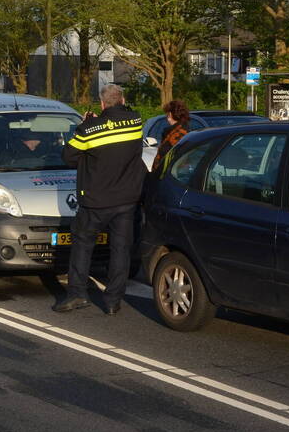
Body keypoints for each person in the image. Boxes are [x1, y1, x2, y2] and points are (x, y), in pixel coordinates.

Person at [54, 84, 146, 315]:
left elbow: (68, 156)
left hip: (96, 201)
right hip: (126, 199)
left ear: (102, 103)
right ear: (122, 100)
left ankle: (77, 294)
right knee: (120, 250)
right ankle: (113, 301)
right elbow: (118, 125)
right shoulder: (136, 121)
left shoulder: (89, 130)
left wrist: (85, 124)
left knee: (83, 246)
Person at [152, 99, 190, 172]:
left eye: (166, 114)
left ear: (170, 114)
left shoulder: (177, 134)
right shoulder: (186, 130)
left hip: (172, 173)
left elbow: (163, 157)